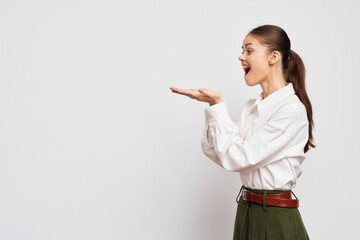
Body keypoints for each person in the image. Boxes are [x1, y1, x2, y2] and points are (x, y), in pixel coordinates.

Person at [169, 24, 315, 240]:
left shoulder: (290, 109)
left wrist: (218, 105)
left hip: (275, 216)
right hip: (247, 210)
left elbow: (237, 158)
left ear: (273, 57)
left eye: (249, 50)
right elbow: (218, 152)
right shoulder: (251, 107)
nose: (241, 57)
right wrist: (213, 107)